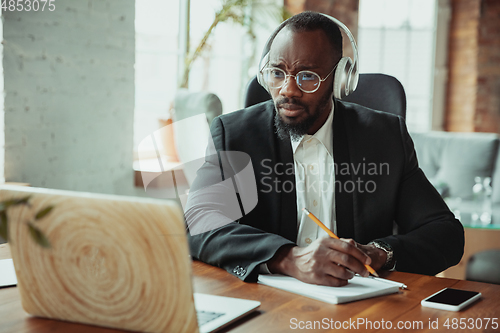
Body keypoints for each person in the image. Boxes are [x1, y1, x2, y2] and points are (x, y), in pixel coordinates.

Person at [185, 11, 464, 287]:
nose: (288, 90)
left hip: (357, 308)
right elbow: (198, 222)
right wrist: (288, 258)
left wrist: (380, 253)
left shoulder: (385, 137)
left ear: (340, 79)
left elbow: (446, 234)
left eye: (307, 76)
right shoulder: (234, 134)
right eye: (277, 73)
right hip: (266, 303)